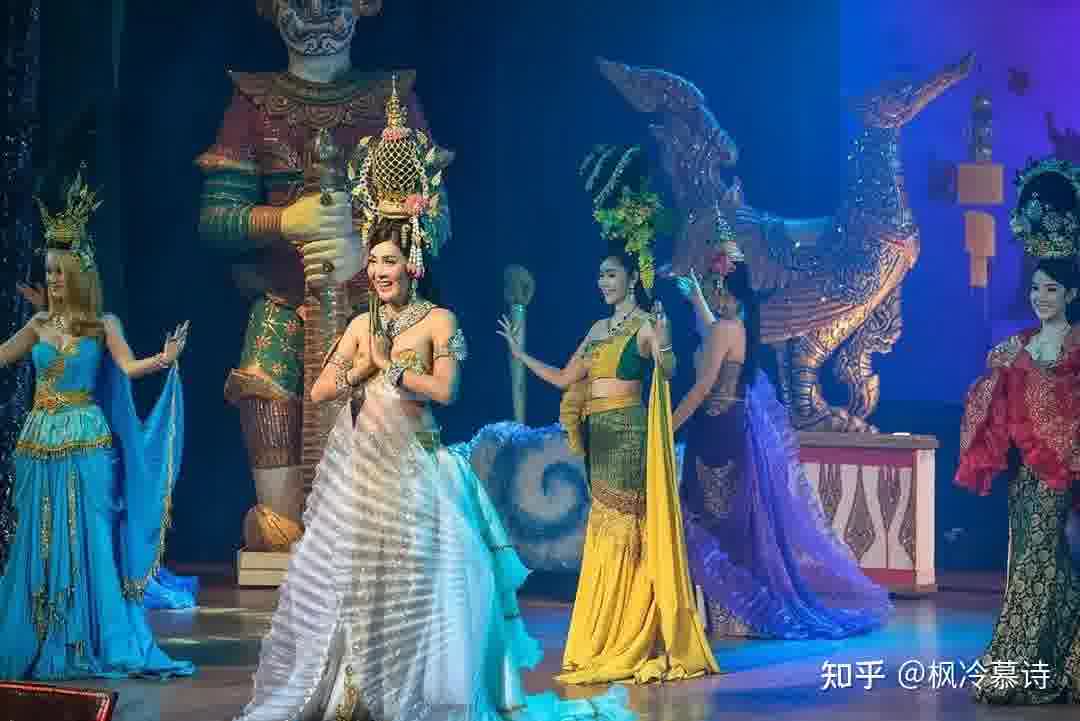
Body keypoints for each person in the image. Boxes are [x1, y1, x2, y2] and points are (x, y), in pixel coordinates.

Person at [236, 110, 632, 720]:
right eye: (374, 263)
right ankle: (358, 692)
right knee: (355, 586)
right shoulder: (362, 324)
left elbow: (447, 391)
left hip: (419, 468)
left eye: (390, 262)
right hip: (364, 475)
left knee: (432, 584)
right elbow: (318, 391)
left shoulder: (438, 322)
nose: (380, 272)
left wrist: (393, 370)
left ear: (411, 262)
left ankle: (425, 695)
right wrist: (357, 369)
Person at [498, 145, 718, 685]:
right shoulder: (598, 329)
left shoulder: (645, 325)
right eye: (599, 276)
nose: (603, 283)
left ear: (630, 279)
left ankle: (634, 626)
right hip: (598, 436)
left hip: (627, 434)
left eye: (611, 275)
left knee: (625, 528)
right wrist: (520, 354)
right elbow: (565, 379)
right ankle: (604, 628)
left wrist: (665, 341)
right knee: (604, 527)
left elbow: (667, 372)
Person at [0, 169, 194, 680]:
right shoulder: (38, 325)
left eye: (61, 272)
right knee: (39, 540)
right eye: (49, 271)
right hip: (39, 439)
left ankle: (94, 634)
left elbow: (127, 368)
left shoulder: (103, 325)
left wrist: (164, 358)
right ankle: (43, 633)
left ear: (79, 273)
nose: (53, 280)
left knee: (90, 538)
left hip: (86, 440)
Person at [668, 212, 892, 640]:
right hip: (724, 427)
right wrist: (695, 296)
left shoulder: (725, 330)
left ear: (724, 288)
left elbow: (700, 388)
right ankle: (732, 610)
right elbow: (710, 330)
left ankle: (733, 608)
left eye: (713, 286)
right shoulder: (737, 327)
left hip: (715, 430)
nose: (710, 293)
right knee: (724, 515)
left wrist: (665, 427)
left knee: (714, 516)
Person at [956, 157, 1080, 704]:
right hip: (1025, 475)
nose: (1041, 297)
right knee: (1036, 559)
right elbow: (990, 406)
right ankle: (1057, 662)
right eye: (1036, 289)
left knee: (1038, 559)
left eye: (1051, 290)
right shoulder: (1018, 346)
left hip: (1061, 472)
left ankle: (1015, 667)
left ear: (1069, 295)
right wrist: (995, 378)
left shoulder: (1076, 347)